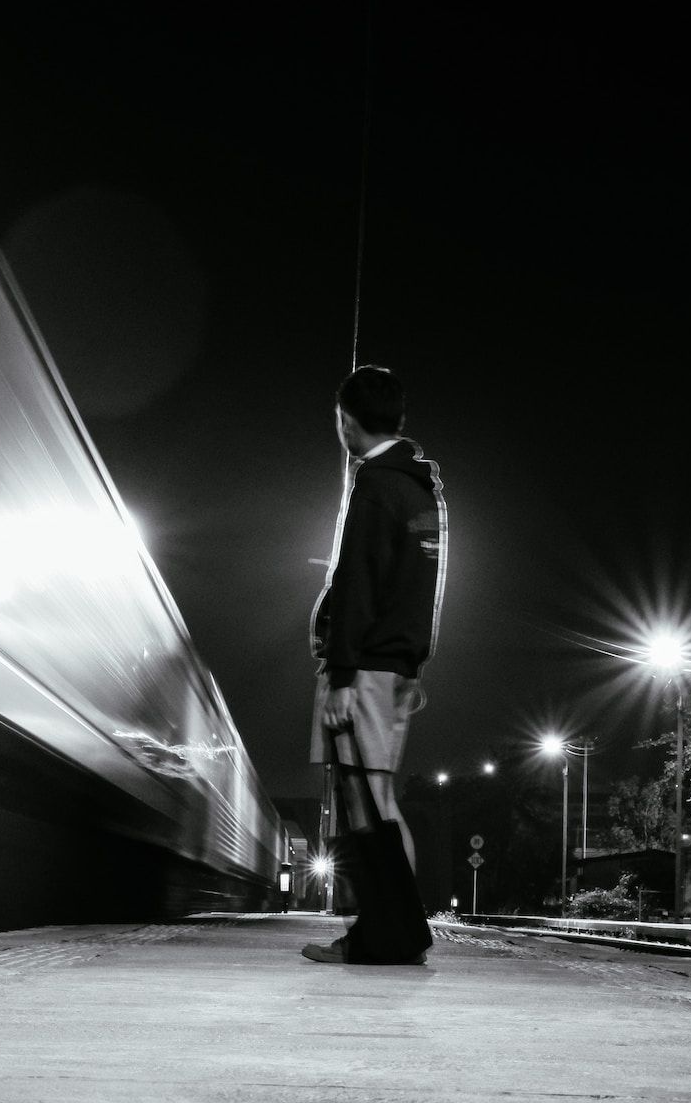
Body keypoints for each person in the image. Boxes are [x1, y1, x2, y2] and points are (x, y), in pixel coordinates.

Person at [301, 365, 447, 964]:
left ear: (346, 420)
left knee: (365, 802)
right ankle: (397, 930)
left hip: (365, 667)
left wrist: (339, 677)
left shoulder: (374, 485)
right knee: (379, 799)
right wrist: (413, 662)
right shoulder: (421, 489)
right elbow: (422, 588)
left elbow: (358, 582)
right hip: (397, 666)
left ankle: (389, 934)